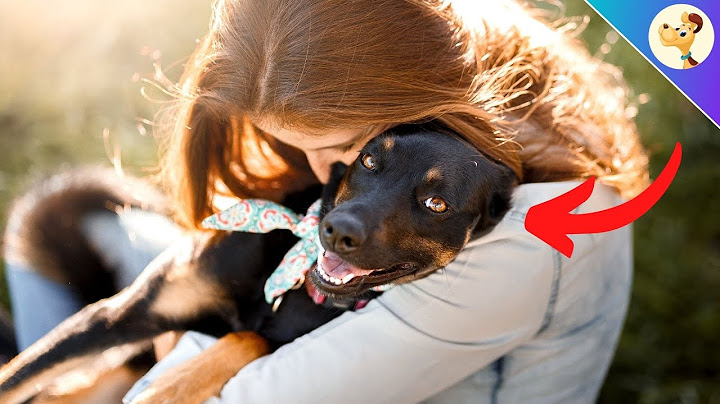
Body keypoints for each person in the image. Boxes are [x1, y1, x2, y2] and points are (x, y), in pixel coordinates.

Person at [4, 0, 649, 402]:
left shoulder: (512, 244)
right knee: (63, 214)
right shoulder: (461, 63)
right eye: (287, 142)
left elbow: (220, 397)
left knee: (94, 297)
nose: (321, 174)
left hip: (269, 371)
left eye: (343, 144)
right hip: (274, 304)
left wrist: (175, 335)